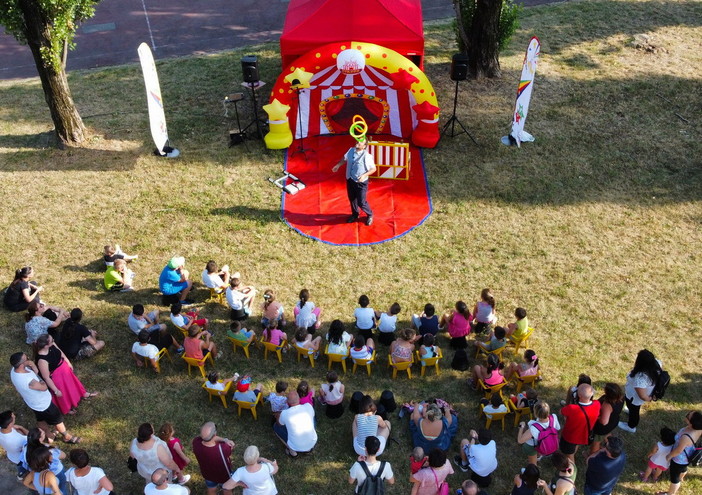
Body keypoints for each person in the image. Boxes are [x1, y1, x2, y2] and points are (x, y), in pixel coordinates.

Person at [9, 352, 80, 444]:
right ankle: (66, 436)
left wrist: (33, 366)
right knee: (58, 420)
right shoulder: (29, 381)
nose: (29, 359)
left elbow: (35, 373)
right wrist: (42, 381)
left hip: (32, 402)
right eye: (27, 358)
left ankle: (49, 434)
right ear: (22, 364)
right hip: (43, 404)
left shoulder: (13, 372)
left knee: (40, 419)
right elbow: (44, 387)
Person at [34, 334, 98, 415]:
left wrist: (67, 362)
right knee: (64, 393)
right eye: (51, 340)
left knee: (73, 384)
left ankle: (82, 394)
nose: (53, 340)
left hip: (64, 369)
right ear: (46, 346)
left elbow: (60, 352)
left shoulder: (52, 344)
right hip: (57, 377)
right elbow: (46, 377)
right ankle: (67, 408)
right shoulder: (42, 360)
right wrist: (56, 390)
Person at [331, 137, 377, 225]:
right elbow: (345, 158)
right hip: (350, 179)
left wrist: (364, 175)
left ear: (364, 146)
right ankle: (355, 214)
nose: (358, 142)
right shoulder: (350, 150)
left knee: (361, 202)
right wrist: (338, 165)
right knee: (352, 199)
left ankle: (370, 215)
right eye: (358, 140)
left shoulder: (367, 156)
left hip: (361, 183)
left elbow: (373, 169)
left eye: (361, 142)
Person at [658, 410, 702, 495]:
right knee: (683, 469)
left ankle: (670, 493)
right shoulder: (699, 429)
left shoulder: (686, 438)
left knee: (674, 479)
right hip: (688, 456)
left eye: (688, 416)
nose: (687, 414)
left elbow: (678, 450)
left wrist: (669, 456)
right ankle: (681, 476)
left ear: (691, 424)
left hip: (679, 460)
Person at [619, 349, 663, 433]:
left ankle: (631, 426)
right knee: (632, 409)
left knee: (634, 411)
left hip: (634, 398)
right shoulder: (657, 363)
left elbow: (642, 395)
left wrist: (649, 398)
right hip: (641, 393)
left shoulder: (641, 378)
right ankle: (630, 411)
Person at [560, 383, 601, 461]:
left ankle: (572, 471)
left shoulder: (572, 408)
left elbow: (561, 411)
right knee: (575, 446)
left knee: (569, 455)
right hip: (584, 435)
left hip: (570, 437)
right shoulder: (597, 404)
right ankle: (573, 452)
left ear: (579, 396)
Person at [191, 422, 235, 495]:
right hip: (223, 475)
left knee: (211, 490)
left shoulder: (196, 442)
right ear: (215, 434)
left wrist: (224, 439)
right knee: (227, 490)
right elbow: (229, 452)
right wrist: (226, 440)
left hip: (208, 474)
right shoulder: (223, 448)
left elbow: (208, 438)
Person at [21, 428, 68, 494]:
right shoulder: (48, 451)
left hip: (37, 475)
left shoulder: (25, 447)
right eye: (43, 433)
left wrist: (38, 489)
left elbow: (25, 482)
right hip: (56, 473)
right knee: (61, 488)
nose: (44, 432)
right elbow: (64, 455)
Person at [273, 391, 317, 457]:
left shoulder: (284, 413)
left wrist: (277, 416)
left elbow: (279, 424)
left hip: (295, 446)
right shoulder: (308, 406)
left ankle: (292, 451)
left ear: (287, 403)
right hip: (312, 442)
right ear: (299, 399)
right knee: (313, 418)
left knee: (275, 427)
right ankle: (308, 449)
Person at [517, 400, 560, 465]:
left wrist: (521, 426)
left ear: (535, 413)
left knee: (533, 463)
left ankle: (533, 469)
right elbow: (558, 428)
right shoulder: (554, 417)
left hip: (533, 446)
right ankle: (539, 455)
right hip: (549, 442)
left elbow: (520, 440)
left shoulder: (533, 427)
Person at [590, 383, 625, 454]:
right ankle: (609, 444)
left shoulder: (607, 404)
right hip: (614, 421)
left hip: (603, 428)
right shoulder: (621, 398)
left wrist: (595, 417)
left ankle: (592, 455)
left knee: (596, 442)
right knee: (608, 434)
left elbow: (604, 421)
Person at [0, 410, 29, 481]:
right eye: (13, 417)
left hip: (11, 455)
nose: (15, 416)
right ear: (10, 425)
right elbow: (30, 436)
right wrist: (21, 427)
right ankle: (21, 474)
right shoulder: (18, 440)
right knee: (23, 468)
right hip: (20, 458)